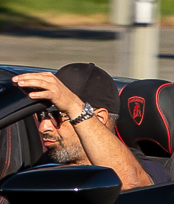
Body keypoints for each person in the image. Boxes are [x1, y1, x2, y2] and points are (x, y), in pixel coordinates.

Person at [11, 64, 153, 191]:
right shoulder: (45, 163)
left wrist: (73, 106)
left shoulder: (142, 166)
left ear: (99, 119)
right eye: (41, 115)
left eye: (57, 116)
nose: (43, 127)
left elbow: (132, 186)